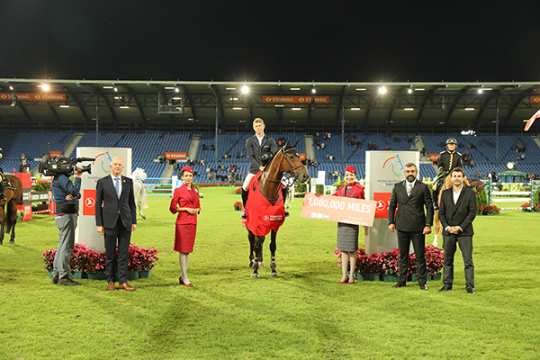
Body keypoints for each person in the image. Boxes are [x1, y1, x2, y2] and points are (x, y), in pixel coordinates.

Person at [388, 163, 434, 290]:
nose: (410, 173)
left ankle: (422, 282)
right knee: (403, 255)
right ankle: (401, 281)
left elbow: (429, 207)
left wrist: (428, 224)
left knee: (420, 256)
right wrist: (391, 222)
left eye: (412, 171)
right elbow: (392, 206)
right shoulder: (397, 187)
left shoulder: (423, 187)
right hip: (401, 226)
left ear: (416, 172)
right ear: (404, 173)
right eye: (408, 171)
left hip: (418, 227)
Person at [95, 157, 137, 291]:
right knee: (110, 254)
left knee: (124, 253)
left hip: (125, 222)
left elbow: (132, 203)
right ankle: (110, 281)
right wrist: (99, 223)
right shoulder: (102, 182)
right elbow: (97, 205)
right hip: (109, 222)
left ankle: (123, 281)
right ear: (110, 166)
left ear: (122, 167)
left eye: (120, 165)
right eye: (115, 165)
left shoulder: (128, 182)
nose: (117, 167)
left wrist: (134, 221)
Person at [438, 167, 477, 294]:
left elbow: (472, 212)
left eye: (459, 176)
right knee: (447, 260)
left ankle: (470, 286)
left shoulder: (470, 193)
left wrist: (460, 227)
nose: (456, 178)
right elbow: (441, 213)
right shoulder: (445, 193)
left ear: (463, 178)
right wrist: (447, 227)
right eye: (454, 176)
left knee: (468, 260)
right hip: (448, 231)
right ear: (451, 178)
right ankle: (447, 284)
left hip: (464, 232)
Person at [169, 166, 201, 287]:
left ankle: (183, 276)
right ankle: (185, 277)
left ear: (193, 177)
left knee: (187, 251)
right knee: (183, 250)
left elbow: (198, 205)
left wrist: (197, 209)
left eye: (190, 175)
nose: (188, 178)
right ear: (182, 177)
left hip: (193, 223)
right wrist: (185, 208)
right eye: (186, 175)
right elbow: (172, 208)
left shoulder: (195, 190)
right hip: (182, 223)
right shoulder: (178, 190)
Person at [333, 165, 365, 284]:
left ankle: (351, 275)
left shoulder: (360, 189)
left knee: (352, 250)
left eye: (351, 175)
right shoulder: (341, 188)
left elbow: (363, 204)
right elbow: (332, 200)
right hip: (342, 223)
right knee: (343, 250)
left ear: (354, 176)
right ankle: (344, 275)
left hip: (352, 223)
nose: (348, 177)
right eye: (347, 175)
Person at [51, 166, 83, 286]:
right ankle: (63, 276)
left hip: (62, 214)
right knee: (67, 245)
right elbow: (75, 191)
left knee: (62, 244)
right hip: (67, 214)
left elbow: (75, 194)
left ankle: (56, 273)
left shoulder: (57, 178)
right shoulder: (62, 178)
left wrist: (75, 195)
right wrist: (78, 178)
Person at [241, 117, 277, 218]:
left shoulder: (270, 140)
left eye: (260, 125)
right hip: (254, 170)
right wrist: (259, 167)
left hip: (268, 170)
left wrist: (267, 166)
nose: (258, 128)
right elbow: (251, 157)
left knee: (283, 185)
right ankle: (245, 210)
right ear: (253, 128)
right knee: (245, 187)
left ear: (263, 126)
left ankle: (283, 207)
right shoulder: (249, 141)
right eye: (256, 126)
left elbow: (274, 154)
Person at [433, 138, 463, 209]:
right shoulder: (443, 154)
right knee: (435, 186)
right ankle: (435, 203)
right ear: (447, 146)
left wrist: (455, 173)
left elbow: (460, 167)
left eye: (453, 145)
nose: (451, 146)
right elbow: (439, 165)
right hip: (443, 174)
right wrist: (442, 171)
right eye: (450, 145)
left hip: (454, 176)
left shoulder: (458, 156)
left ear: (455, 146)